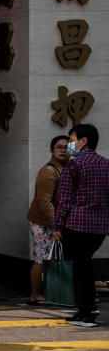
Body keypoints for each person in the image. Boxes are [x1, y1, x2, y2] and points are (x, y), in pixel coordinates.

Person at [53, 123, 109, 327]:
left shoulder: (73, 165)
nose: (69, 144)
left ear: (83, 142)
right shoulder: (106, 164)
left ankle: (84, 311)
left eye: (71, 140)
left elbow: (64, 199)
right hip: (100, 227)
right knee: (86, 265)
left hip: (77, 224)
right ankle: (88, 310)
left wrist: (57, 226)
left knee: (79, 268)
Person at [26, 135, 70, 305]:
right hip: (42, 221)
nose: (63, 150)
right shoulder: (49, 171)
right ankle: (35, 294)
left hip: (57, 222)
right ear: (52, 150)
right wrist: (56, 225)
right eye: (59, 147)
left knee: (53, 257)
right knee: (41, 257)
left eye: (67, 147)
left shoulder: (67, 169)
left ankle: (54, 291)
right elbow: (45, 201)